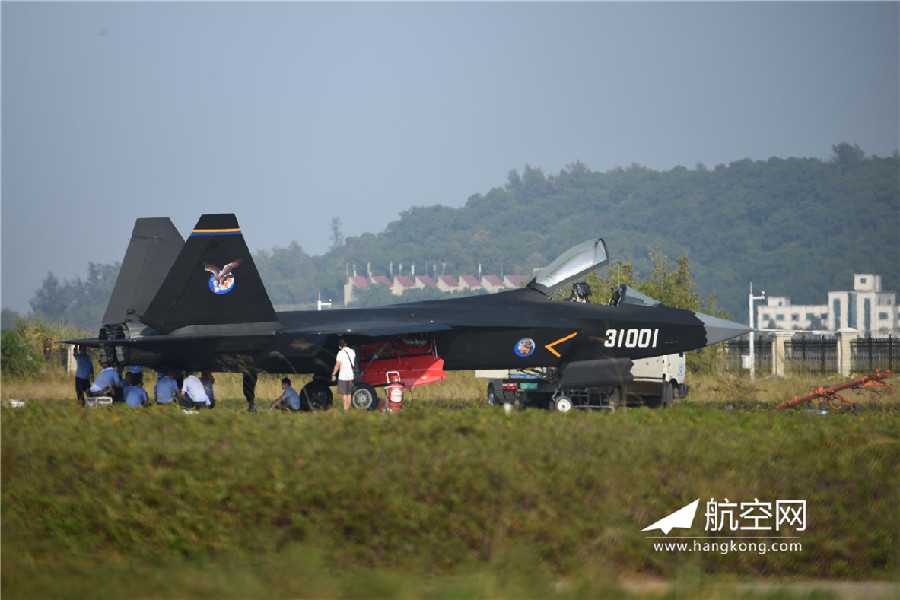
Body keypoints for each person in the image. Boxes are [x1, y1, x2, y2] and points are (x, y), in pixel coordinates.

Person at [331, 339, 356, 410]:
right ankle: (348, 408)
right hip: (351, 375)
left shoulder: (340, 353)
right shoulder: (352, 351)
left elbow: (337, 365)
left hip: (343, 376)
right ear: (346, 344)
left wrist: (333, 374)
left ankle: (346, 410)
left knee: (344, 394)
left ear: (339, 346)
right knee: (349, 394)